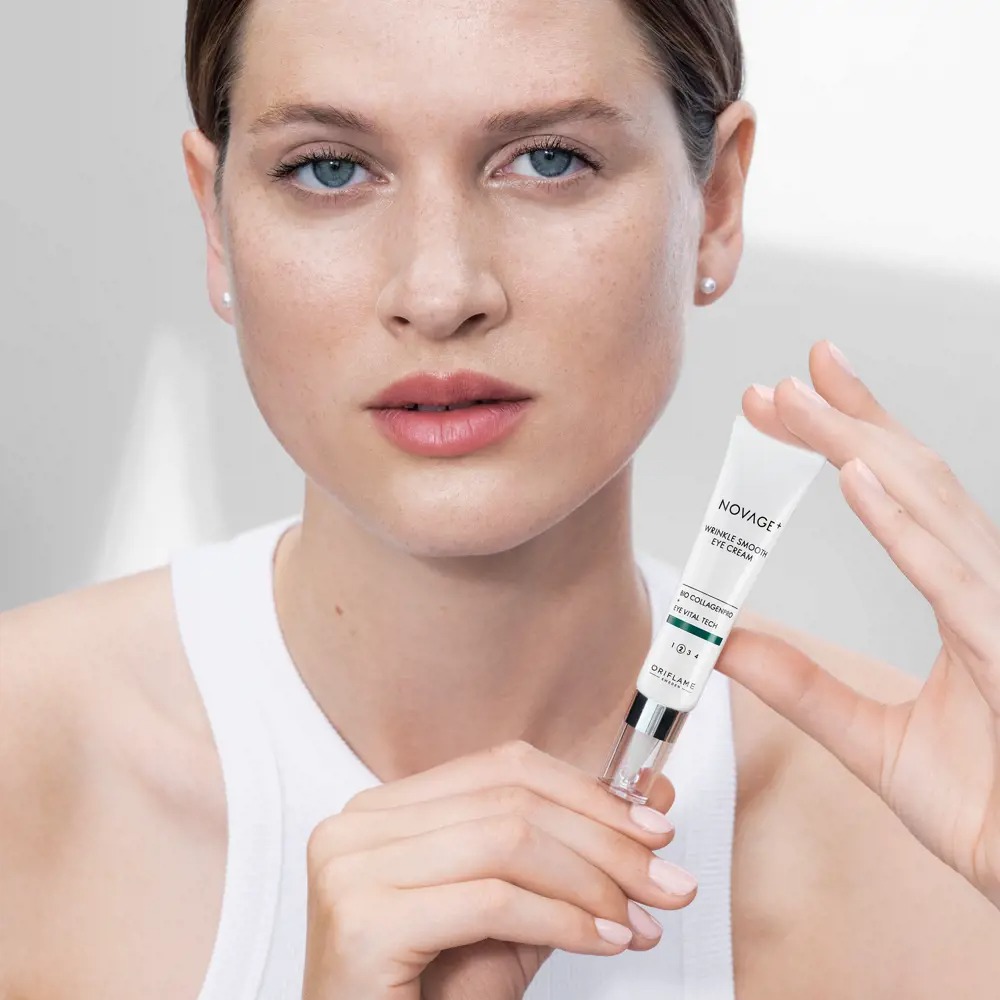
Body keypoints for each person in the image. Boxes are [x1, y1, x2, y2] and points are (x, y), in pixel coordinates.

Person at [2, 0, 998, 997]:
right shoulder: (23, 756)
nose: (440, 293)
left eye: (549, 160)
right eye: (329, 169)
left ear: (718, 201)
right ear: (215, 222)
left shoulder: (935, 846)